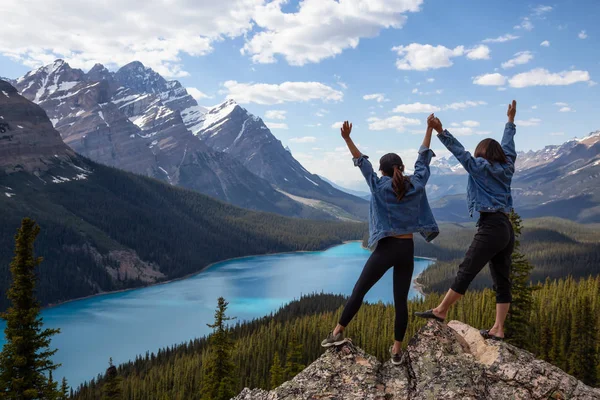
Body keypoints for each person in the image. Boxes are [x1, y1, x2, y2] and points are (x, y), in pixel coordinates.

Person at [321, 119, 439, 365]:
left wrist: (347, 139)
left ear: (382, 170)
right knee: (400, 302)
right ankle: (396, 351)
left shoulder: (377, 185)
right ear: (401, 167)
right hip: (407, 249)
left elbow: (361, 162)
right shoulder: (416, 184)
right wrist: (428, 129)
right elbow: (424, 159)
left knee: (360, 290)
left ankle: (337, 333)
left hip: (386, 249)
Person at [415, 100, 518, 341]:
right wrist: (510, 121)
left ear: (481, 153)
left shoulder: (478, 167)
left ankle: (441, 310)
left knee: (467, 269)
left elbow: (460, 153)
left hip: (490, 226)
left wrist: (440, 131)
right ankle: (498, 329)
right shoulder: (508, 167)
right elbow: (509, 147)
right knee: (502, 279)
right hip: (506, 229)